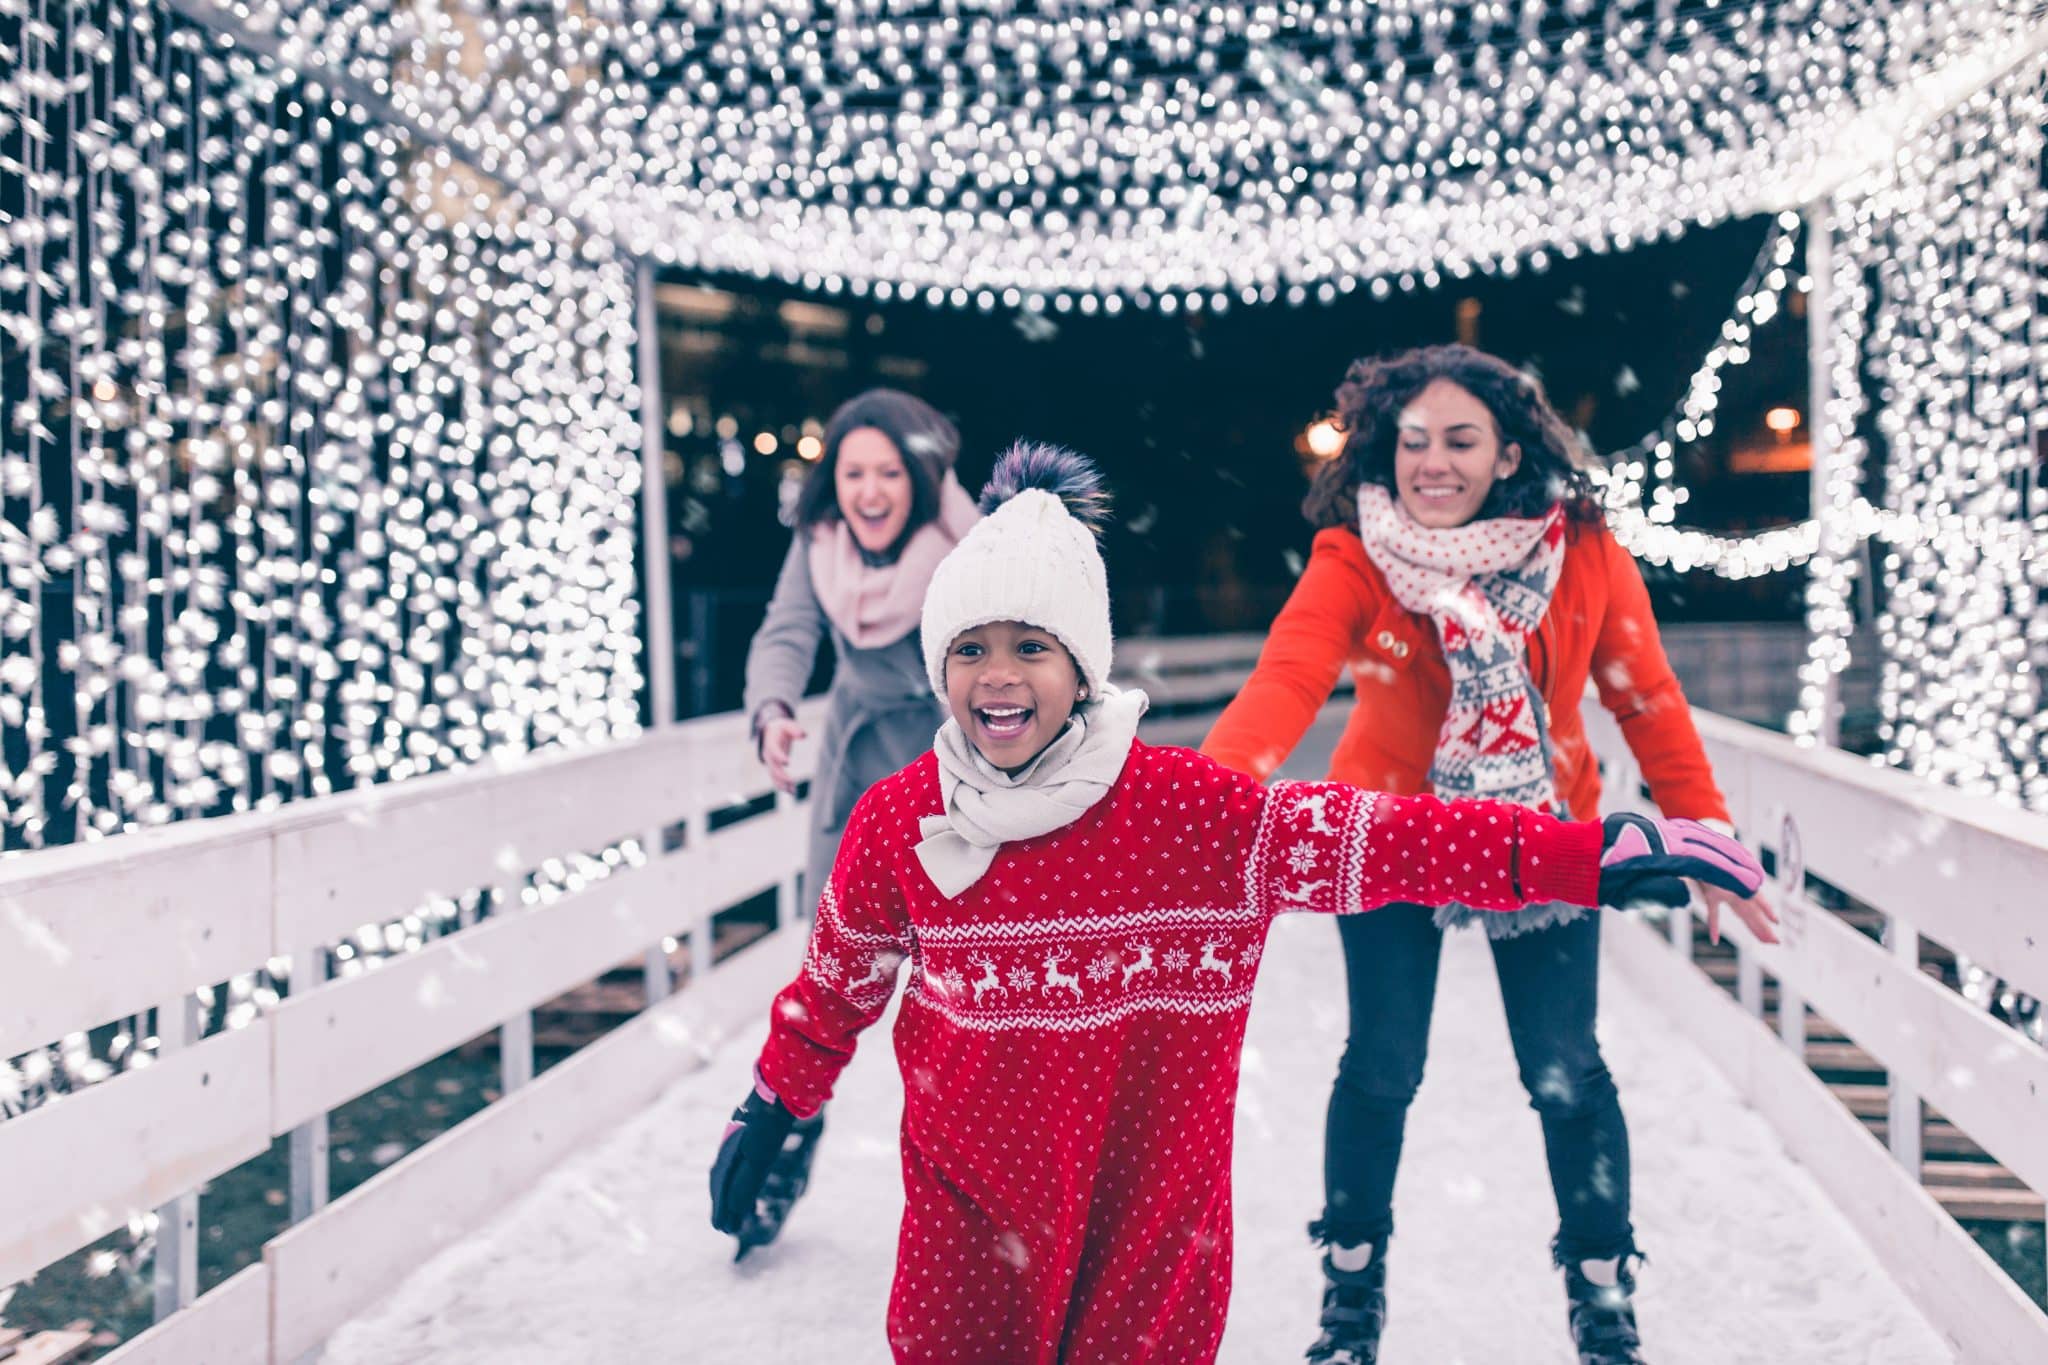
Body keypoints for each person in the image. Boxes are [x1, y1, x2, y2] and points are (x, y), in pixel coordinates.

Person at [709, 443, 1767, 1364]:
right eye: (970, 650)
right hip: (965, 1228)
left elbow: (1387, 839)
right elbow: (835, 988)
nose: (998, 677)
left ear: (1080, 669)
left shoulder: (1188, 816)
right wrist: (776, 1099)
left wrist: (1578, 856)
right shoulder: (899, 823)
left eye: (1030, 647)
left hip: (1148, 1234)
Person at [1199, 344, 1781, 1365]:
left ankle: (1601, 1294)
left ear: (1505, 452)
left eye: (1459, 440)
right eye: (1412, 440)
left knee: (1564, 1073)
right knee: (1380, 1069)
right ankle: (1349, 1295)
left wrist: (1705, 832)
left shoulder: (1584, 552)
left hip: (1540, 840)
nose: (1432, 461)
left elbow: (1644, 700)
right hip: (1387, 837)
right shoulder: (1354, 556)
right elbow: (1286, 679)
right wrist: (1207, 798)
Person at [733, 388, 980, 1257]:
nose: (870, 491)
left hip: (959, 786)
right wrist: (771, 709)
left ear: (919, 477)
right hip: (854, 783)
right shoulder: (820, 544)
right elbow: (786, 630)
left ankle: (972, 1190)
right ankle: (781, 1153)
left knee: (963, 1004)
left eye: (888, 471)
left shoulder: (968, 547)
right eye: (852, 473)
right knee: (828, 987)